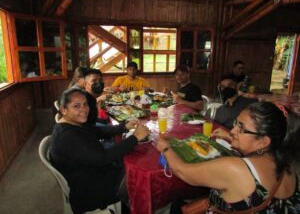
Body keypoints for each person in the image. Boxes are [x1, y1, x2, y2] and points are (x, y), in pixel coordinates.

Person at [155, 101, 300, 214]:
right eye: (236, 123)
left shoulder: (235, 168)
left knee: (176, 206)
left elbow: (183, 171)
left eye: (241, 128)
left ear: (264, 141)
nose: (232, 130)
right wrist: (233, 138)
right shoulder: (287, 164)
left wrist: (166, 147)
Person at [49, 88, 149, 214]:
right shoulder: (67, 136)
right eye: (77, 106)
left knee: (131, 160)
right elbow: (102, 158)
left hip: (90, 174)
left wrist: (124, 127)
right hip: (90, 190)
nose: (84, 109)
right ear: (63, 110)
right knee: (140, 174)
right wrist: (135, 138)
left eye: (85, 104)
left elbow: (98, 131)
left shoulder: (72, 124)